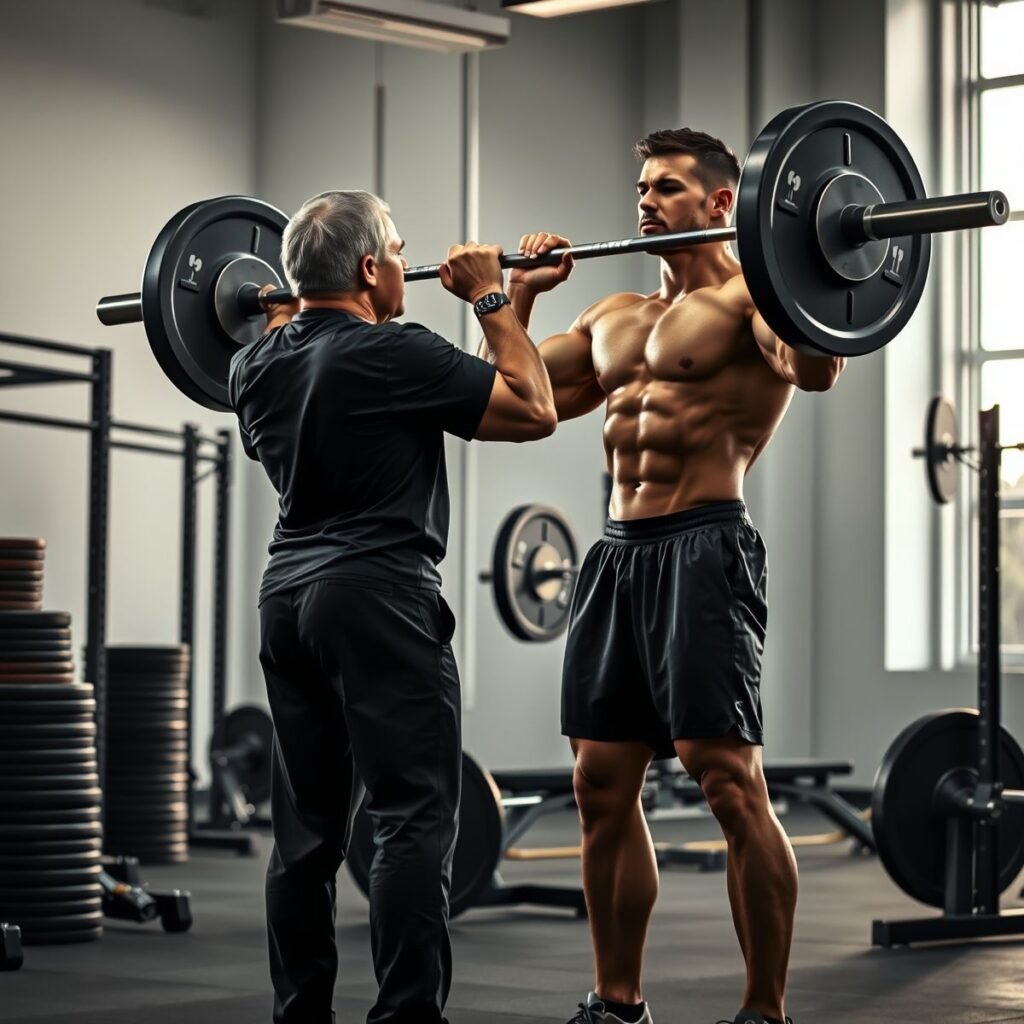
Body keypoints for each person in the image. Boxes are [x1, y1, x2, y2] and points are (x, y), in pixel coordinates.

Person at [498, 129, 847, 1024]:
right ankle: (617, 1002)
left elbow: (813, 367)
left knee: (726, 778)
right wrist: (517, 299)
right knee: (599, 786)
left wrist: (809, 267)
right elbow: (518, 399)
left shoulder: (751, 299)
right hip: (617, 555)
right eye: (642, 187)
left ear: (722, 203)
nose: (645, 200)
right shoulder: (613, 314)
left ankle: (764, 1011)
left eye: (666, 187)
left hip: (705, 544)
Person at [227, 189, 558, 1024]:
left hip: (287, 601)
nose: (409, 264)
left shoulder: (251, 367)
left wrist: (517, 300)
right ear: (372, 268)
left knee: (304, 838)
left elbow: (462, 387)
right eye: (401, 252)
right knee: (412, 819)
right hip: (378, 599)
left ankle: (299, 1015)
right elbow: (534, 409)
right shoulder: (392, 351)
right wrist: (488, 297)